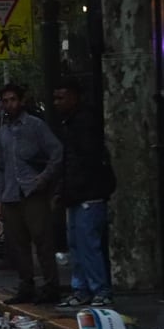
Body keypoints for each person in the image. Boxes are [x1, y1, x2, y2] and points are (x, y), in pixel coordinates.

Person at [0, 82, 64, 305]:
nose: (9, 104)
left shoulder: (35, 126)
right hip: (12, 194)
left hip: (32, 192)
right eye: (5, 100)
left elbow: (57, 152)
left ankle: (51, 286)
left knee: (42, 241)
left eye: (13, 99)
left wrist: (43, 179)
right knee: (18, 244)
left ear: (21, 101)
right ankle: (26, 285)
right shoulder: (3, 132)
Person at [49, 79, 116, 308]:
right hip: (78, 193)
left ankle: (99, 289)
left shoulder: (83, 124)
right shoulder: (71, 123)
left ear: (74, 97)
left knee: (88, 244)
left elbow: (85, 162)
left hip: (88, 193)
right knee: (77, 244)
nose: (57, 103)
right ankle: (83, 289)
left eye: (61, 97)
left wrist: (70, 189)